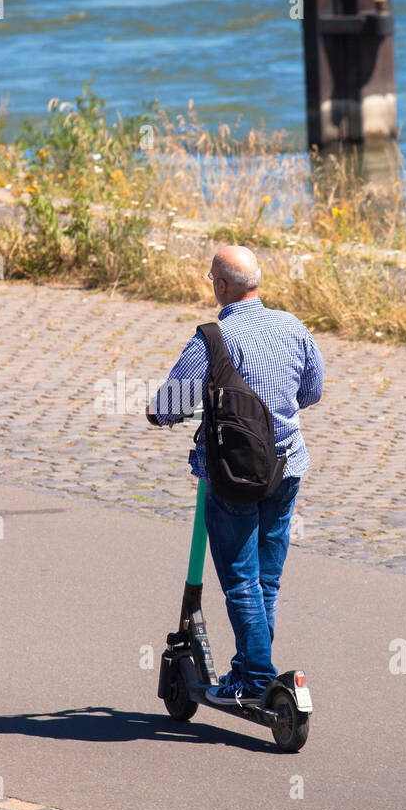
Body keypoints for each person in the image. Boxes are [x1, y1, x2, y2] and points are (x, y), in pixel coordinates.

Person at [146, 245, 324, 705]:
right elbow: (312, 390)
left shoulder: (213, 339)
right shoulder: (294, 327)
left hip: (232, 477)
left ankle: (256, 675)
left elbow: (170, 405)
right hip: (286, 468)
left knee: (241, 579)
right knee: (267, 578)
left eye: (212, 280)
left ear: (221, 287)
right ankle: (250, 666)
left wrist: (160, 415)